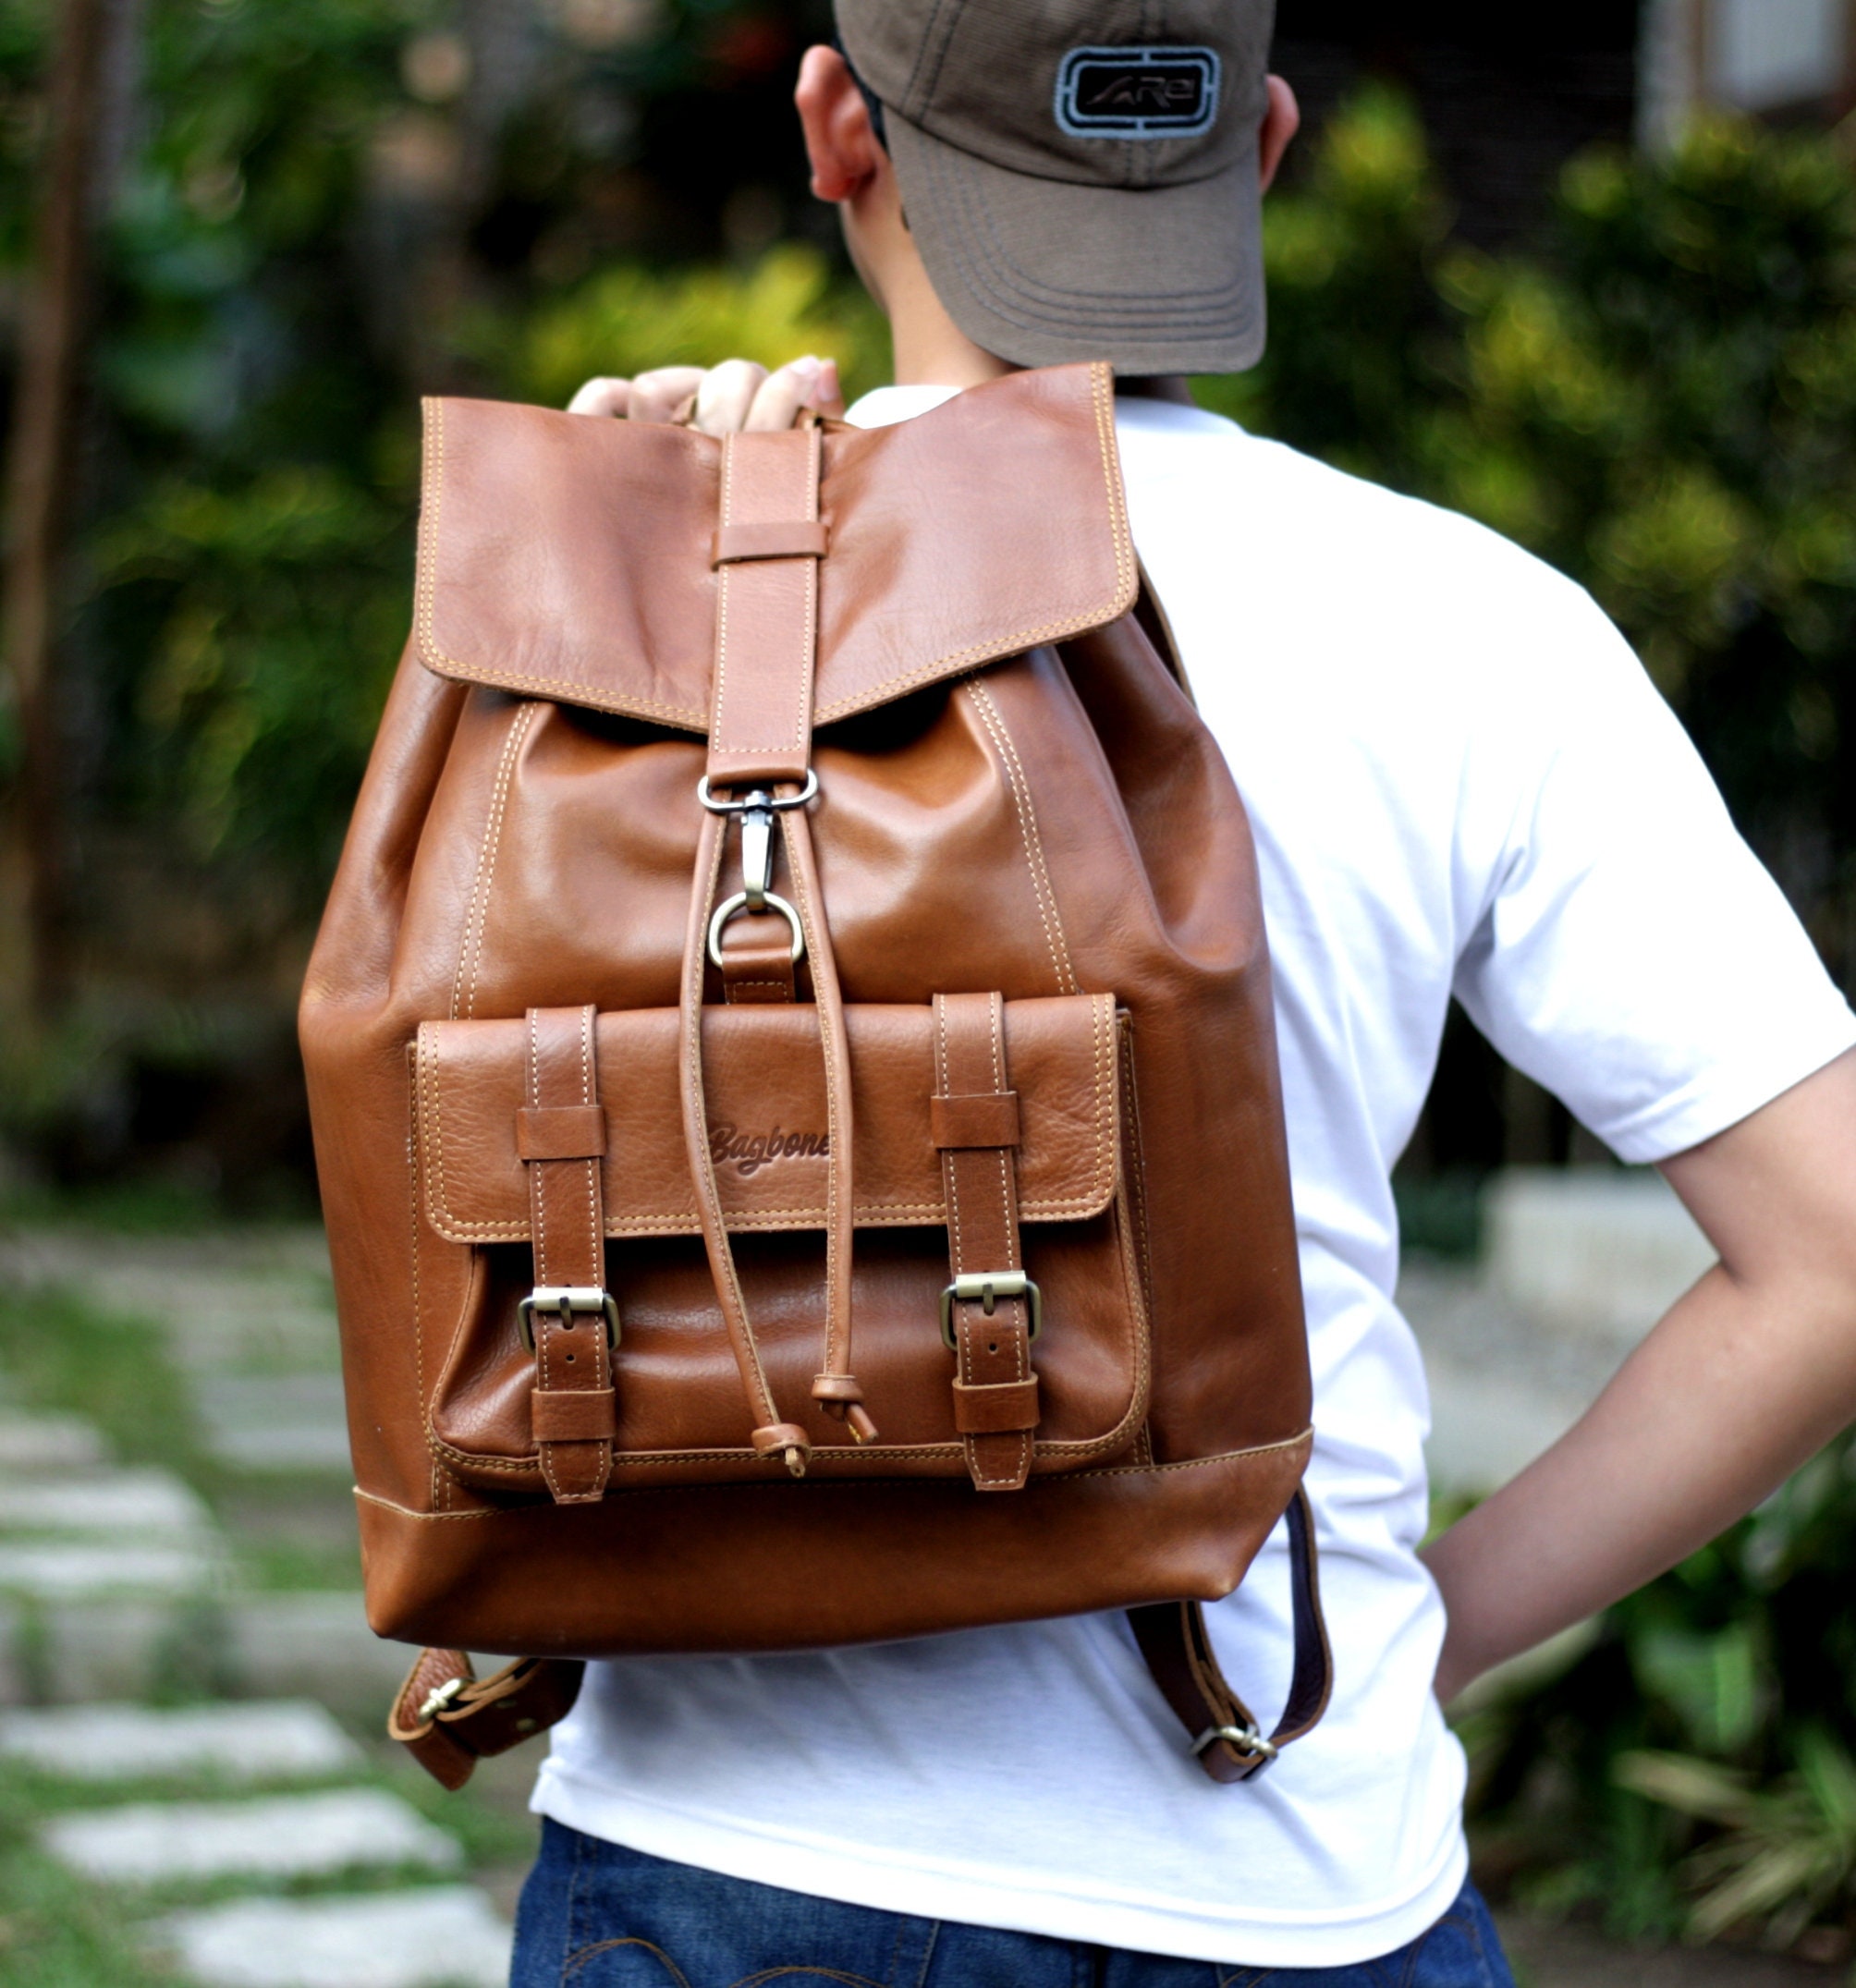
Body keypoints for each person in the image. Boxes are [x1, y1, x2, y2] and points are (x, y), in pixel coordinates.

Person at [515, 5, 1856, 1982]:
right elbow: (1827, 1256)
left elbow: (465, 1121)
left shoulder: (659, 569)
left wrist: (616, 555)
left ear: (831, 130)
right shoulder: (1476, 624)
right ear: (1265, 146)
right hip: (1293, 1849)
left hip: (738, 1847)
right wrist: (1436, 1616)